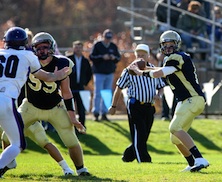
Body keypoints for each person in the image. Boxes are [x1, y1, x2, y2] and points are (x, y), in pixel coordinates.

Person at [3, 32, 90, 177]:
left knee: (71, 140)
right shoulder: (28, 60)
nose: (42, 50)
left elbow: (67, 93)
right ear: (34, 49)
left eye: (45, 47)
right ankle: (8, 162)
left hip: (55, 107)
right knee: (6, 137)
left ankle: (81, 169)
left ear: (52, 47)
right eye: (38, 47)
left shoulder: (62, 62)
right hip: (30, 106)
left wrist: (73, 117)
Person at [129, 30, 209, 172]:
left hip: (192, 99)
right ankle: (192, 163)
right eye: (165, 45)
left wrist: (140, 71)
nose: (168, 47)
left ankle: (199, 158)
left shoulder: (176, 57)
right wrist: (145, 67)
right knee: (175, 138)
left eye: (171, 44)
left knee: (174, 128)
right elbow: (162, 69)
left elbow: (159, 73)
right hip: (185, 101)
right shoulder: (173, 59)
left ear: (177, 45)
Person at [109, 44, 165, 163]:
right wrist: (113, 106)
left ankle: (128, 155)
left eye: (143, 55)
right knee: (139, 133)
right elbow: (118, 88)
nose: (140, 57)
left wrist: (158, 95)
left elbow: (161, 87)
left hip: (149, 106)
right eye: (138, 55)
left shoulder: (154, 69)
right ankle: (144, 160)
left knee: (144, 135)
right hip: (135, 105)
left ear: (148, 56)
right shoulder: (129, 70)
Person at [89, 29, 121, 121]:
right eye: (107, 38)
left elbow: (118, 57)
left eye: (109, 38)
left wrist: (113, 57)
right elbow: (92, 57)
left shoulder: (113, 46)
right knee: (98, 93)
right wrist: (102, 57)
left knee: (107, 93)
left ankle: (104, 112)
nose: (108, 40)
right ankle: (96, 112)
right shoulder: (98, 45)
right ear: (103, 37)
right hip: (99, 72)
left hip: (109, 72)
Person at [68, 40, 92, 128]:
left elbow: (89, 73)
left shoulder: (85, 61)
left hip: (81, 87)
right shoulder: (69, 59)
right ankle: (69, 126)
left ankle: (82, 126)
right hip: (70, 87)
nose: (78, 49)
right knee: (70, 107)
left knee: (81, 108)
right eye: (76, 47)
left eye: (80, 47)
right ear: (73, 48)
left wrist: (85, 83)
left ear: (82, 49)